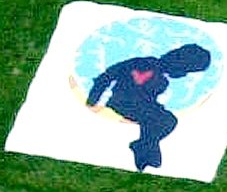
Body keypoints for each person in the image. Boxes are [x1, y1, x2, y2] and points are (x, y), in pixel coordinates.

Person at [85, 40, 213, 172]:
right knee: (164, 120)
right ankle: (144, 147)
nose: (184, 74)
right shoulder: (148, 67)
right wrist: (92, 100)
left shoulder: (160, 78)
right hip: (123, 103)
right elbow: (108, 75)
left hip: (138, 105)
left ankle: (144, 146)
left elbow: (148, 98)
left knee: (163, 120)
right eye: (187, 70)